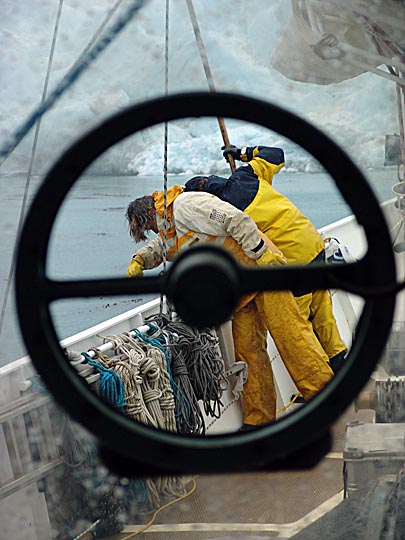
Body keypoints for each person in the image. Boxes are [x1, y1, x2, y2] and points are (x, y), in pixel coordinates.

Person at [126, 186, 334, 430]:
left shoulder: (187, 206)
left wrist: (261, 253)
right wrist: (140, 259)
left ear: (150, 216)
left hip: (263, 269)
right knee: (248, 352)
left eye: (149, 227)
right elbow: (164, 245)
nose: (153, 232)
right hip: (239, 288)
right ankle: (259, 420)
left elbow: (236, 219)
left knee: (290, 336)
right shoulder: (170, 225)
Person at [183, 144, 347, 374]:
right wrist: (242, 153)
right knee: (321, 310)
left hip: (292, 259)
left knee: (299, 327)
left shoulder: (222, 214)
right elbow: (276, 155)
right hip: (312, 241)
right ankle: (339, 360)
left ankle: (322, 381)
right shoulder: (246, 174)